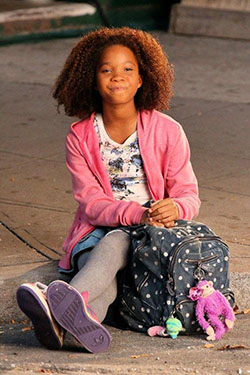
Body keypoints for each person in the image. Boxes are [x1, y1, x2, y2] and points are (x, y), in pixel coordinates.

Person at [16, 27, 200, 354]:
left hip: (151, 236)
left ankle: (56, 310)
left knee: (118, 241)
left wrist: (175, 208)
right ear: (92, 78)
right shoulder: (81, 136)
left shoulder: (168, 132)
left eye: (128, 68)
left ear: (143, 79)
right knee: (105, 275)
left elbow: (189, 197)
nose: (118, 76)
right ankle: (72, 328)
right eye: (106, 69)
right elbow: (90, 203)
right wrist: (134, 212)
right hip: (95, 230)